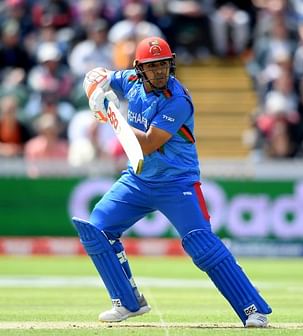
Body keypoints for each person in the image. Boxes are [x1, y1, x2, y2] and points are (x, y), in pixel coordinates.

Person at [74, 36, 271, 327]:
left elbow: (148, 143)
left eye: (164, 65)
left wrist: (112, 114)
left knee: (201, 244)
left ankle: (252, 309)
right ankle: (128, 303)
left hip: (177, 183)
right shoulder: (129, 79)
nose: (160, 72)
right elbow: (97, 76)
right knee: (98, 228)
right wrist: (96, 91)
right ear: (140, 69)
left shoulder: (178, 101)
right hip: (138, 179)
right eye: (152, 67)